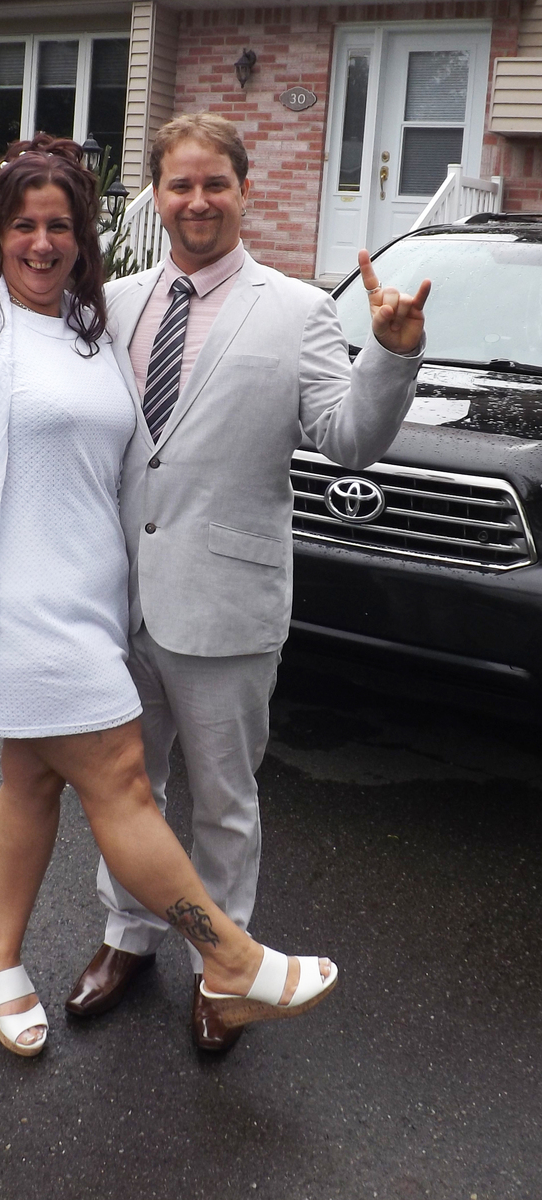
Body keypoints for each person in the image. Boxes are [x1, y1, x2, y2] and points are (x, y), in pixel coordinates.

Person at [0, 134, 339, 1059]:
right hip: (17, 601)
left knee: (31, 777)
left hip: (93, 595)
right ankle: (233, 960)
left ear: (83, 238)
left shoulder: (94, 325)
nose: (42, 244)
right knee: (122, 778)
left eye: (59, 227)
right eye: (22, 226)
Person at [66, 114, 430, 1051]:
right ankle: (128, 933)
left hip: (225, 601)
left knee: (223, 800)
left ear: (243, 190)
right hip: (114, 599)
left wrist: (391, 355)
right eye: (179, 184)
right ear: (156, 195)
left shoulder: (297, 309)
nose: (197, 201)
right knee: (127, 786)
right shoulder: (112, 303)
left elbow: (348, 440)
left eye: (214, 184)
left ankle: (223, 970)